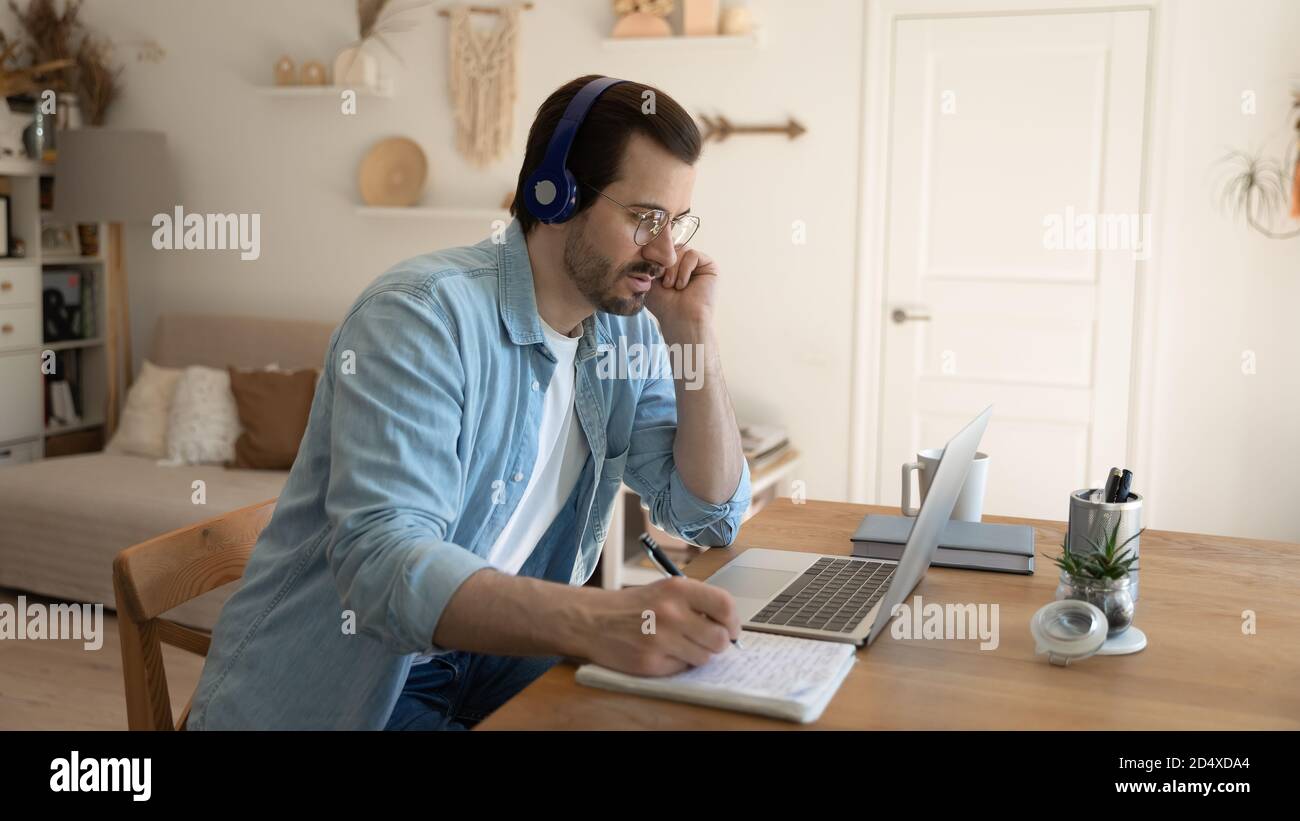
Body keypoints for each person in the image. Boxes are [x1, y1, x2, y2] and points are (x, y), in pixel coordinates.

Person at [186, 75, 751, 730]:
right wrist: (598, 618)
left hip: (499, 659)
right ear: (556, 192)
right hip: (365, 684)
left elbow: (710, 516)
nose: (666, 252)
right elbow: (382, 566)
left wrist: (694, 332)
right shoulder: (421, 316)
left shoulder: (622, 329)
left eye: (676, 221)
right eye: (644, 218)